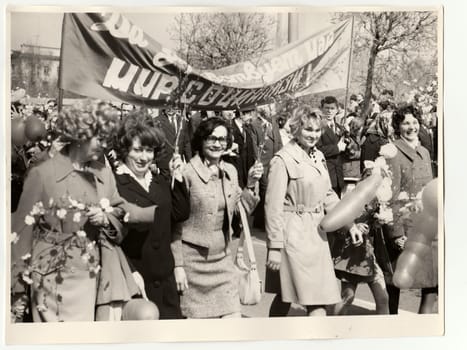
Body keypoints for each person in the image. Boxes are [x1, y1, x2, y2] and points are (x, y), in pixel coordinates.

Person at [10, 102, 157, 322]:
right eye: (100, 139)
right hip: (49, 275)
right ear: (80, 136)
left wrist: (105, 219)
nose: (105, 145)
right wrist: (17, 288)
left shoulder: (104, 174)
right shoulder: (42, 173)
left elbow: (119, 210)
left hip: (89, 274)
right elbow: (21, 232)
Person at [264, 105, 365, 317]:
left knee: (287, 295)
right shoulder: (282, 159)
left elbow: (328, 195)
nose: (313, 135)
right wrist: (274, 245)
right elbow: (272, 207)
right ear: (296, 128)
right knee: (316, 303)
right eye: (308, 129)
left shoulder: (318, 155)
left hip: (317, 236)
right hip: (293, 236)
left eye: (317, 130)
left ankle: (270, 336)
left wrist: (349, 224)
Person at [171, 117, 263, 318]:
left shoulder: (230, 170)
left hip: (222, 260)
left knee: (233, 321)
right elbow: (175, 225)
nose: (217, 144)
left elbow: (241, 211)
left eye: (222, 139)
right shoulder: (186, 172)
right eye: (212, 138)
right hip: (192, 264)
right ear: (201, 140)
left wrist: (250, 183)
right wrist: (178, 265)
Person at [113, 111, 190, 319]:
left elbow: (179, 214)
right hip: (135, 281)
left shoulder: (159, 181)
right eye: (137, 150)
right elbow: (111, 240)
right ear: (125, 150)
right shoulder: (115, 184)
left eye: (149, 150)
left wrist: (178, 177)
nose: (144, 157)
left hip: (166, 283)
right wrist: (130, 272)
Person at [385, 104, 437, 314]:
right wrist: (396, 233)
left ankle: (424, 331)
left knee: (431, 282)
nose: (411, 127)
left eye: (414, 122)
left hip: (426, 224)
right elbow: (390, 195)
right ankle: (390, 328)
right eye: (406, 122)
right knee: (397, 281)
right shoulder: (393, 152)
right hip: (404, 226)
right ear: (398, 126)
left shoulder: (424, 150)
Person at [331, 168, 390, 315]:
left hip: (369, 254)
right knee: (348, 297)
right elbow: (338, 220)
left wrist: (378, 222)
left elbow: (374, 224)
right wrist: (354, 226)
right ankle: (335, 330)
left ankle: (386, 333)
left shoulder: (380, 199)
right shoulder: (352, 197)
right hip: (351, 255)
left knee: (383, 298)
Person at [316, 96, 347, 198]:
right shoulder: (318, 127)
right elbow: (318, 150)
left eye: (332, 108)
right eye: (326, 108)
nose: (329, 111)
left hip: (338, 174)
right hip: (326, 173)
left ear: (337, 110)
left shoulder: (340, 128)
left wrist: (349, 143)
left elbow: (346, 151)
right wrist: (337, 148)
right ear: (322, 109)